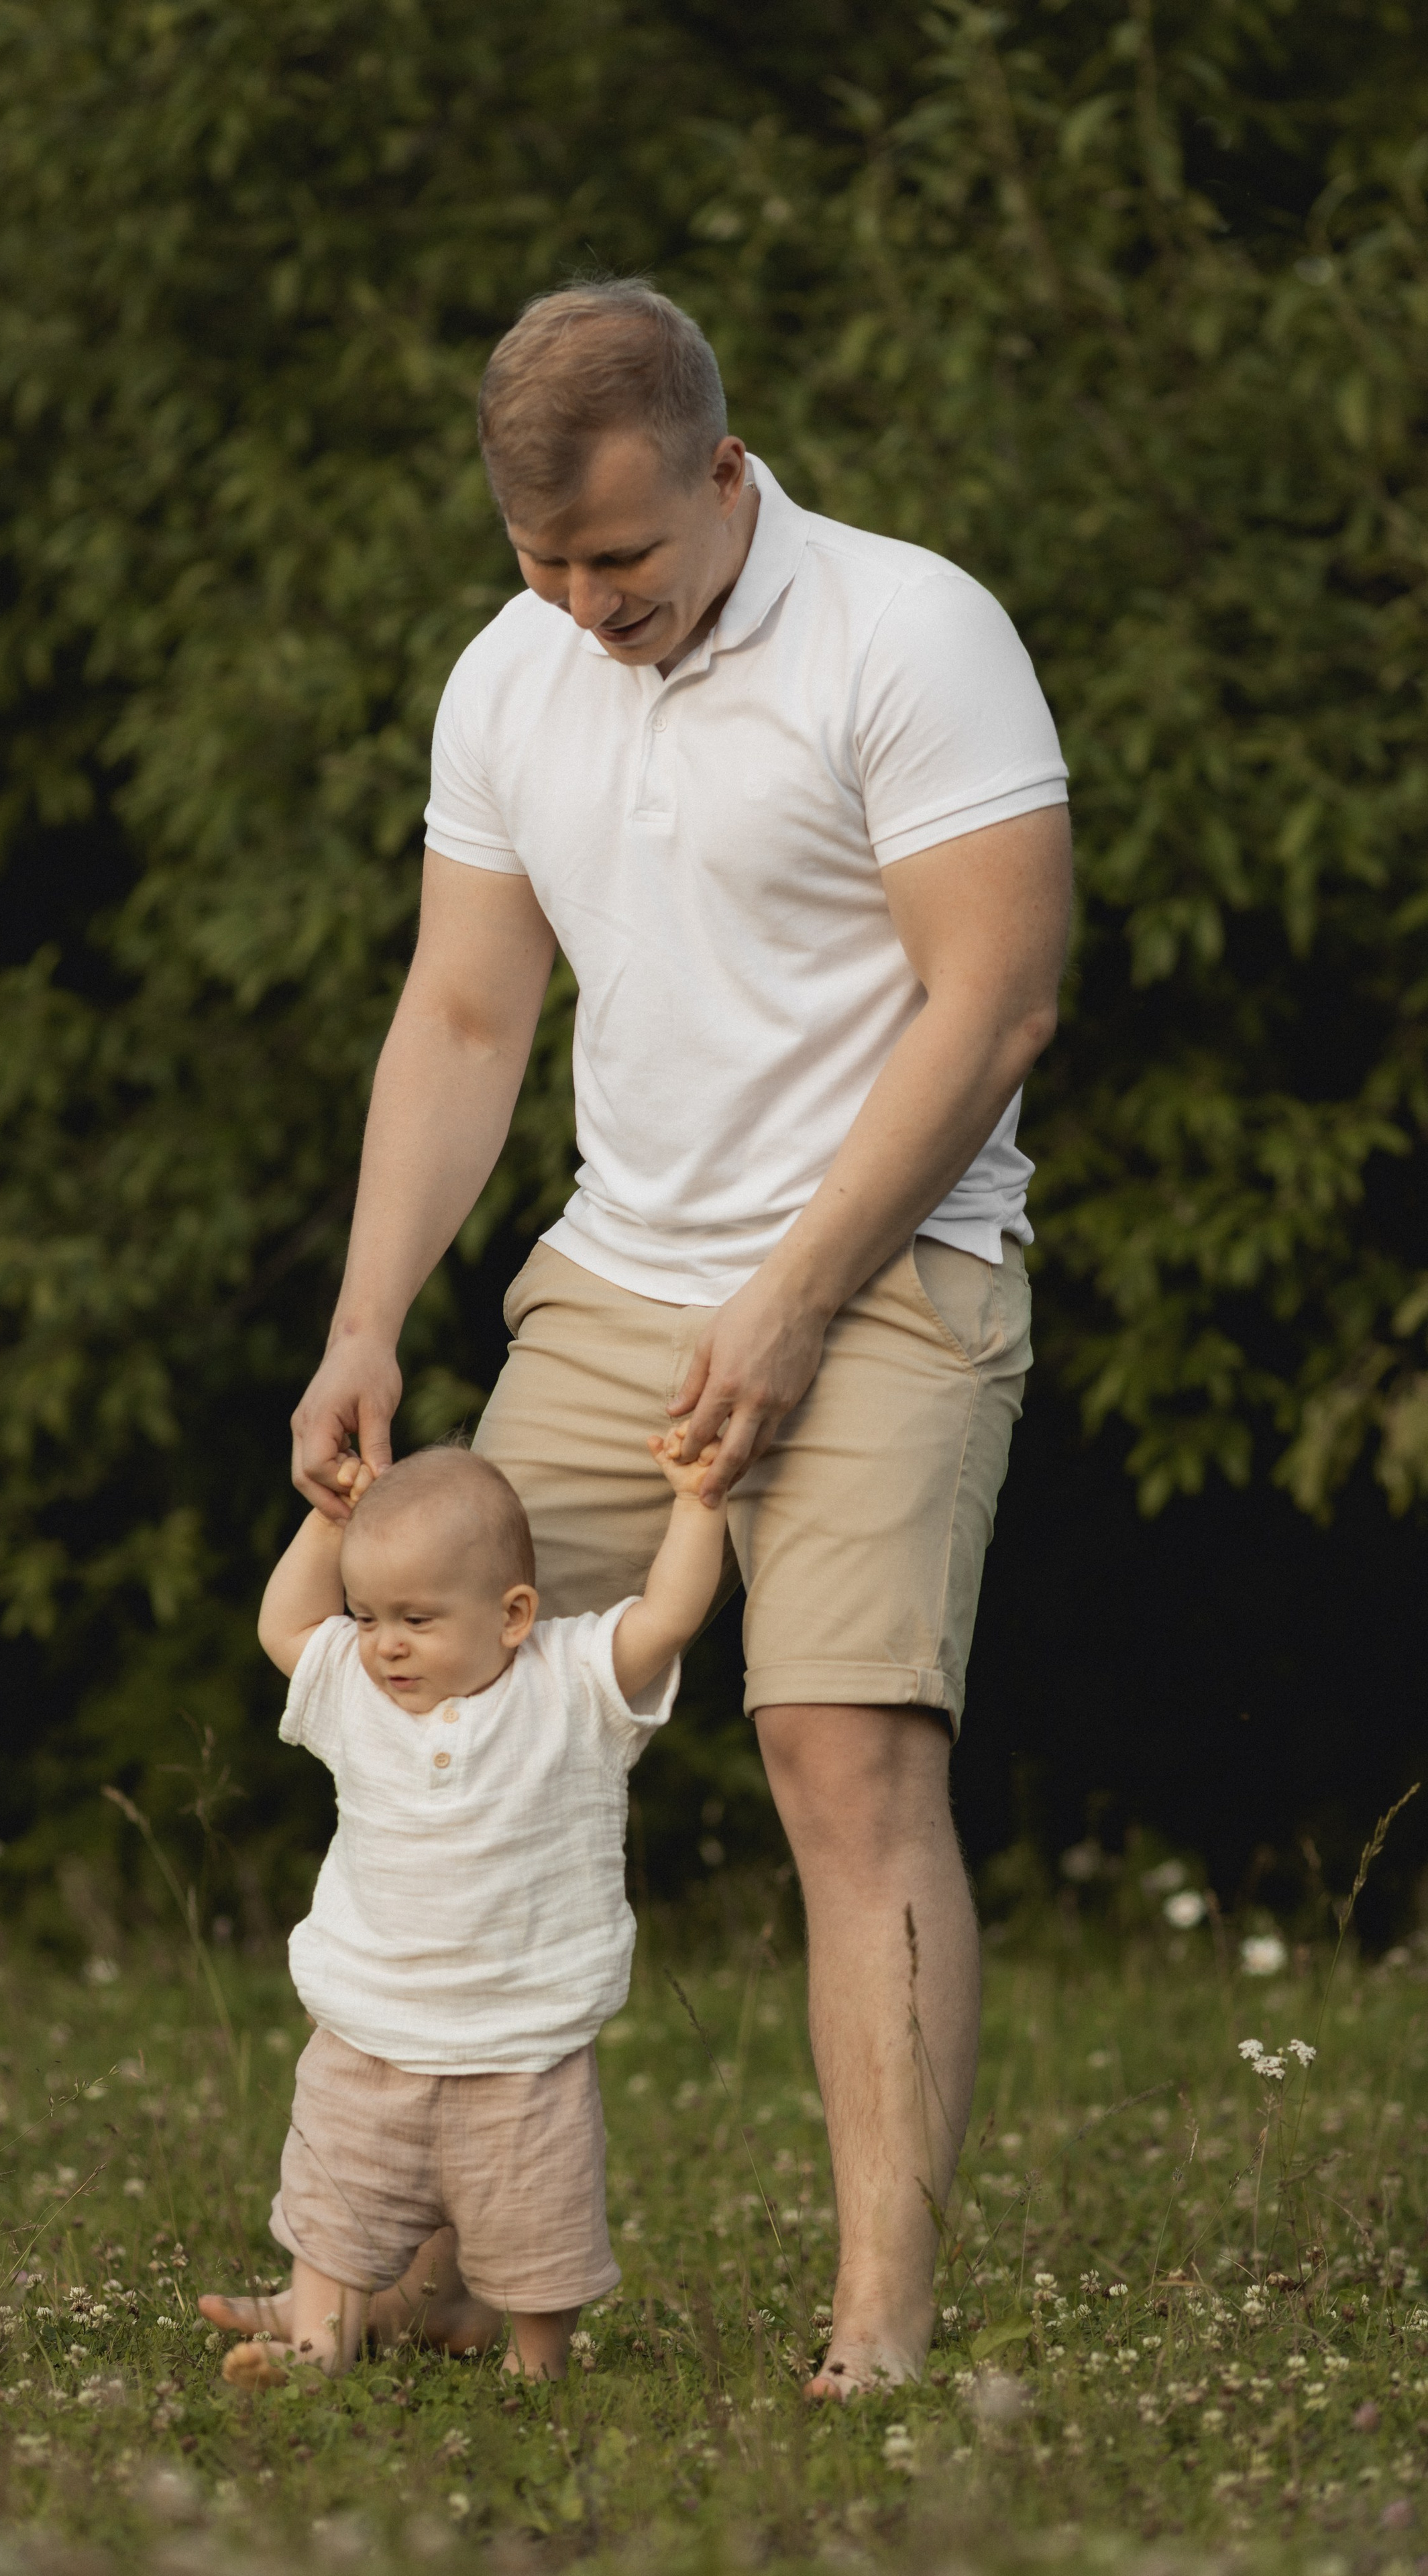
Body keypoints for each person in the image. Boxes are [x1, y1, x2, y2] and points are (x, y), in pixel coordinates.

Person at [288, 280, 1073, 2395]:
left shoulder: (910, 634)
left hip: (893, 1274)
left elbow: (994, 999)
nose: (582, 602)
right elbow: (465, 1016)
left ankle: (879, 2325)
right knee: (437, 1710)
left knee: (843, 1760)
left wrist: (799, 1294)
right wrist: (369, 1320)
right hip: (620, 1280)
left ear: (729, 475)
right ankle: (434, 2267)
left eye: (620, 558)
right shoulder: (511, 673)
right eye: (540, 564)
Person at [200, 1433, 728, 2381]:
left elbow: (670, 1616)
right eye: (366, 1617)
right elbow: (283, 1628)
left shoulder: (573, 1685)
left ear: (514, 1614)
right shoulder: (353, 1689)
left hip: (525, 2043)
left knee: (538, 2226)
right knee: (335, 2207)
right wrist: (330, 1521)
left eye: (415, 1617)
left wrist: (697, 1503)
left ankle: (536, 2359)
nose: (385, 1643)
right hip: (367, 2030)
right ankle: (319, 2343)